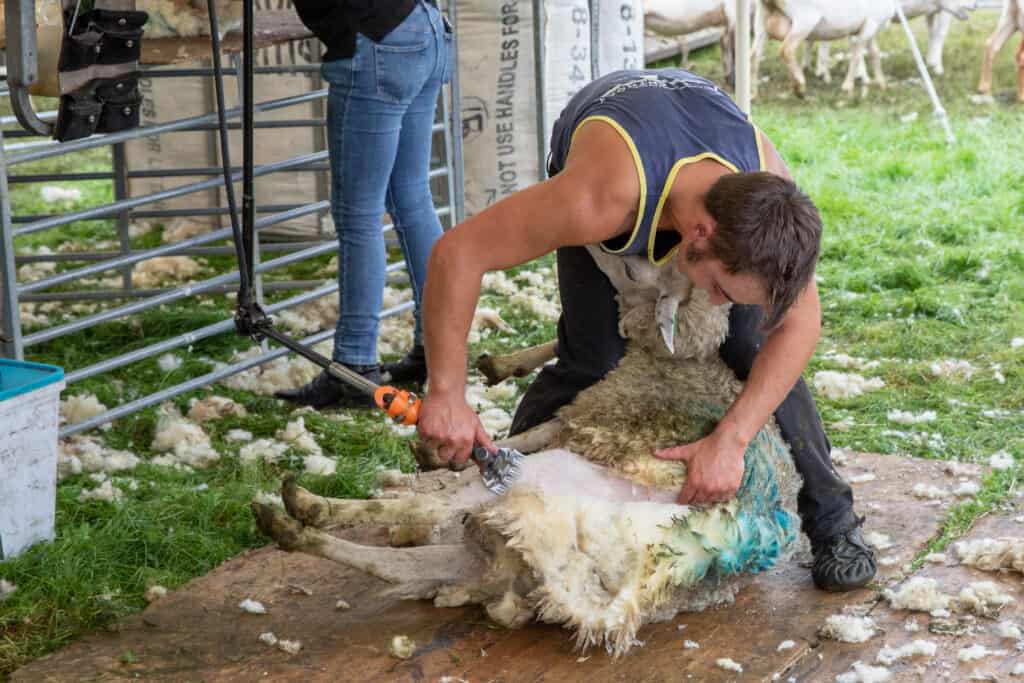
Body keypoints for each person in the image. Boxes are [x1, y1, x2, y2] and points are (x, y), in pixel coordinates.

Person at [416, 68, 876, 593]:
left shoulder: (768, 198)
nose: (717, 300)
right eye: (722, 288)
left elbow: (800, 322)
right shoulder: (599, 198)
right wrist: (447, 393)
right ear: (700, 235)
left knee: (748, 344)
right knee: (593, 360)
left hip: (691, 131)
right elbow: (458, 252)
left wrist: (731, 440)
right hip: (622, 157)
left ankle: (833, 520)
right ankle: (503, 495)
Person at [280, 0, 453, 408]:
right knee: (411, 197)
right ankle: (436, 351)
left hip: (379, 42)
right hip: (421, 27)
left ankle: (354, 367)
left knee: (358, 215)